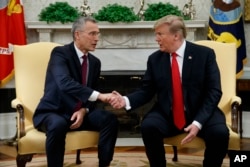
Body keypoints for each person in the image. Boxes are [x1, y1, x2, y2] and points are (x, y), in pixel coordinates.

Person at [109, 15, 229, 167]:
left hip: (202, 111)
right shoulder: (155, 59)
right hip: (168, 113)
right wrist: (125, 100)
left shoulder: (205, 55)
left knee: (220, 133)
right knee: (148, 126)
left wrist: (198, 123)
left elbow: (214, 91)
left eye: (160, 34)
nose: (156, 38)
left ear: (176, 36)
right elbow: (146, 90)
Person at [33, 16, 119, 167]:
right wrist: (101, 96)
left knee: (109, 119)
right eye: (92, 33)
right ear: (77, 34)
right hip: (55, 111)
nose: (97, 38)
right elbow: (64, 83)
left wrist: (84, 110)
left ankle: (104, 164)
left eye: (98, 34)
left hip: (80, 114)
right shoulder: (60, 54)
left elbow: (91, 92)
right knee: (58, 124)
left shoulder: (94, 62)